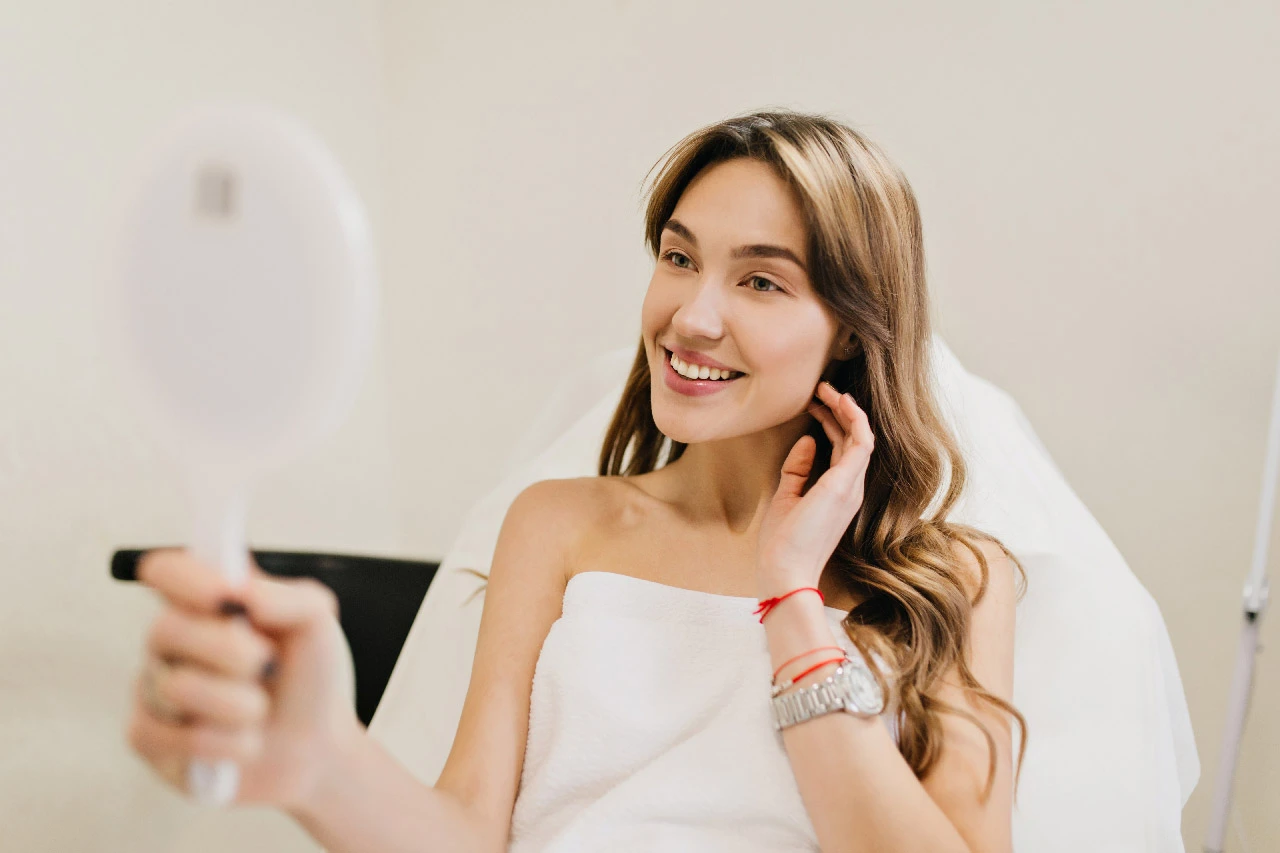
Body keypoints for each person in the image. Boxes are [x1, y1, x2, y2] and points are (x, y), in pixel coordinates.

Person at [127, 109, 1027, 852]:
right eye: (679, 257)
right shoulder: (558, 525)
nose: (692, 316)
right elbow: (464, 834)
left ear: (854, 329)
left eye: (760, 281)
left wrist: (791, 601)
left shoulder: (956, 580)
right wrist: (323, 760)